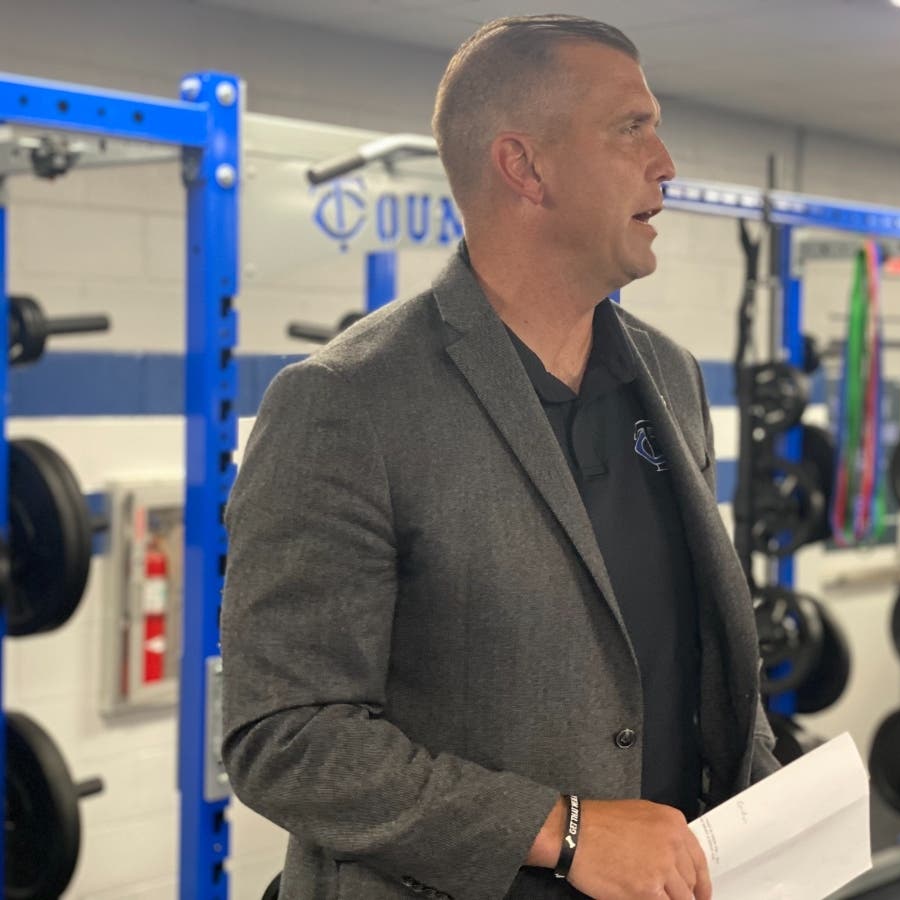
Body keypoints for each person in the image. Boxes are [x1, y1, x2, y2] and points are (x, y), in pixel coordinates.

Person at [220, 14, 779, 900]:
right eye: (632, 128)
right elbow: (285, 734)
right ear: (525, 166)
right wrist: (566, 832)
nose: (667, 164)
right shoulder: (346, 402)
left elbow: (694, 659)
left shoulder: (670, 377)